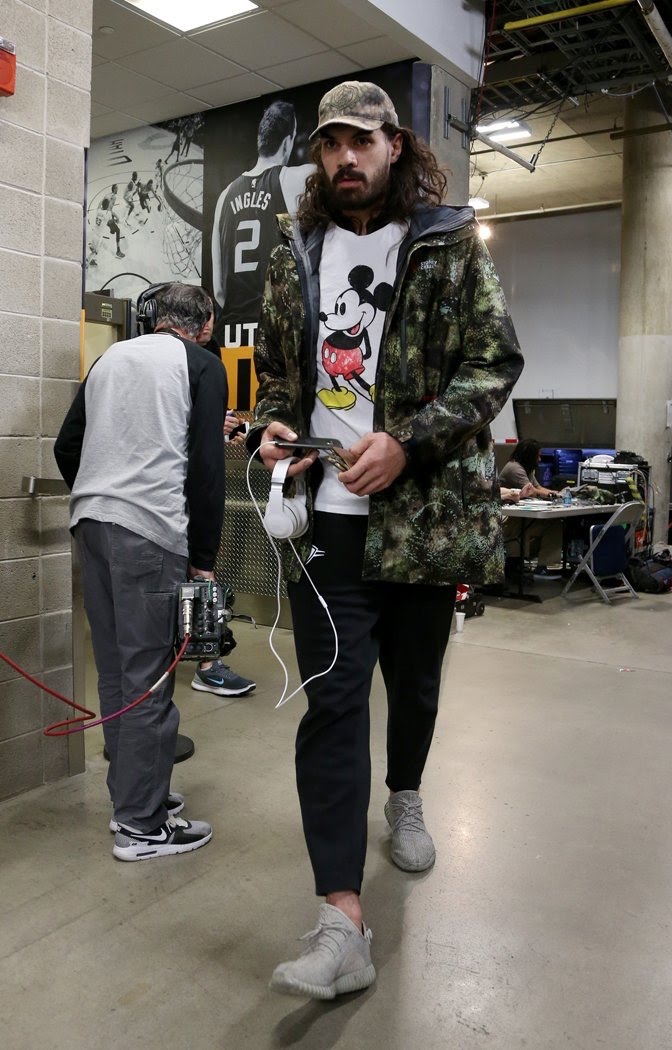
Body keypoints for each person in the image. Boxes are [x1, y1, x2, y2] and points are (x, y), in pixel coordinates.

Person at [247, 80, 524, 999]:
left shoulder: (446, 243)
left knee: (415, 683)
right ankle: (342, 922)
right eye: (329, 145)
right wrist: (275, 425)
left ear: (394, 145)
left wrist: (407, 441)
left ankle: (405, 793)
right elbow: (281, 375)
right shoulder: (295, 251)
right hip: (326, 519)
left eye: (359, 142)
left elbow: (495, 363)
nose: (344, 159)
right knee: (332, 704)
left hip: (424, 518)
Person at [53, 283, 228, 862]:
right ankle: (143, 826)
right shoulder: (200, 365)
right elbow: (207, 469)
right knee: (150, 677)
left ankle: (130, 796)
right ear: (203, 326)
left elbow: (66, 445)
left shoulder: (110, 358)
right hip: (150, 532)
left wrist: (103, 491)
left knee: (115, 673)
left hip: (91, 524)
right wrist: (204, 558)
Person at [189, 297, 257, 698]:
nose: (207, 326)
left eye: (211, 318)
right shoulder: (167, 359)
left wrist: (227, 424)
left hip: (202, 480)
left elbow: (212, 414)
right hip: (171, 486)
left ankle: (207, 662)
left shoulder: (211, 357)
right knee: (198, 575)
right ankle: (204, 664)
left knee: (203, 573)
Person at [211, 99, 314, 348]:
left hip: (231, 333)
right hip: (276, 331)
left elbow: (220, 290)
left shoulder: (225, 196)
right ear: (287, 141)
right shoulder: (298, 178)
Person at [499, 438, 563, 579]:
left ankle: (544, 566)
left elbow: (538, 487)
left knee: (555, 523)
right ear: (529, 455)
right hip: (508, 519)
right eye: (537, 456)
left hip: (521, 516)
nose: (539, 459)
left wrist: (557, 494)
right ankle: (517, 566)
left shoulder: (526, 469)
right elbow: (532, 491)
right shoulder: (514, 468)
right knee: (546, 525)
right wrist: (553, 495)